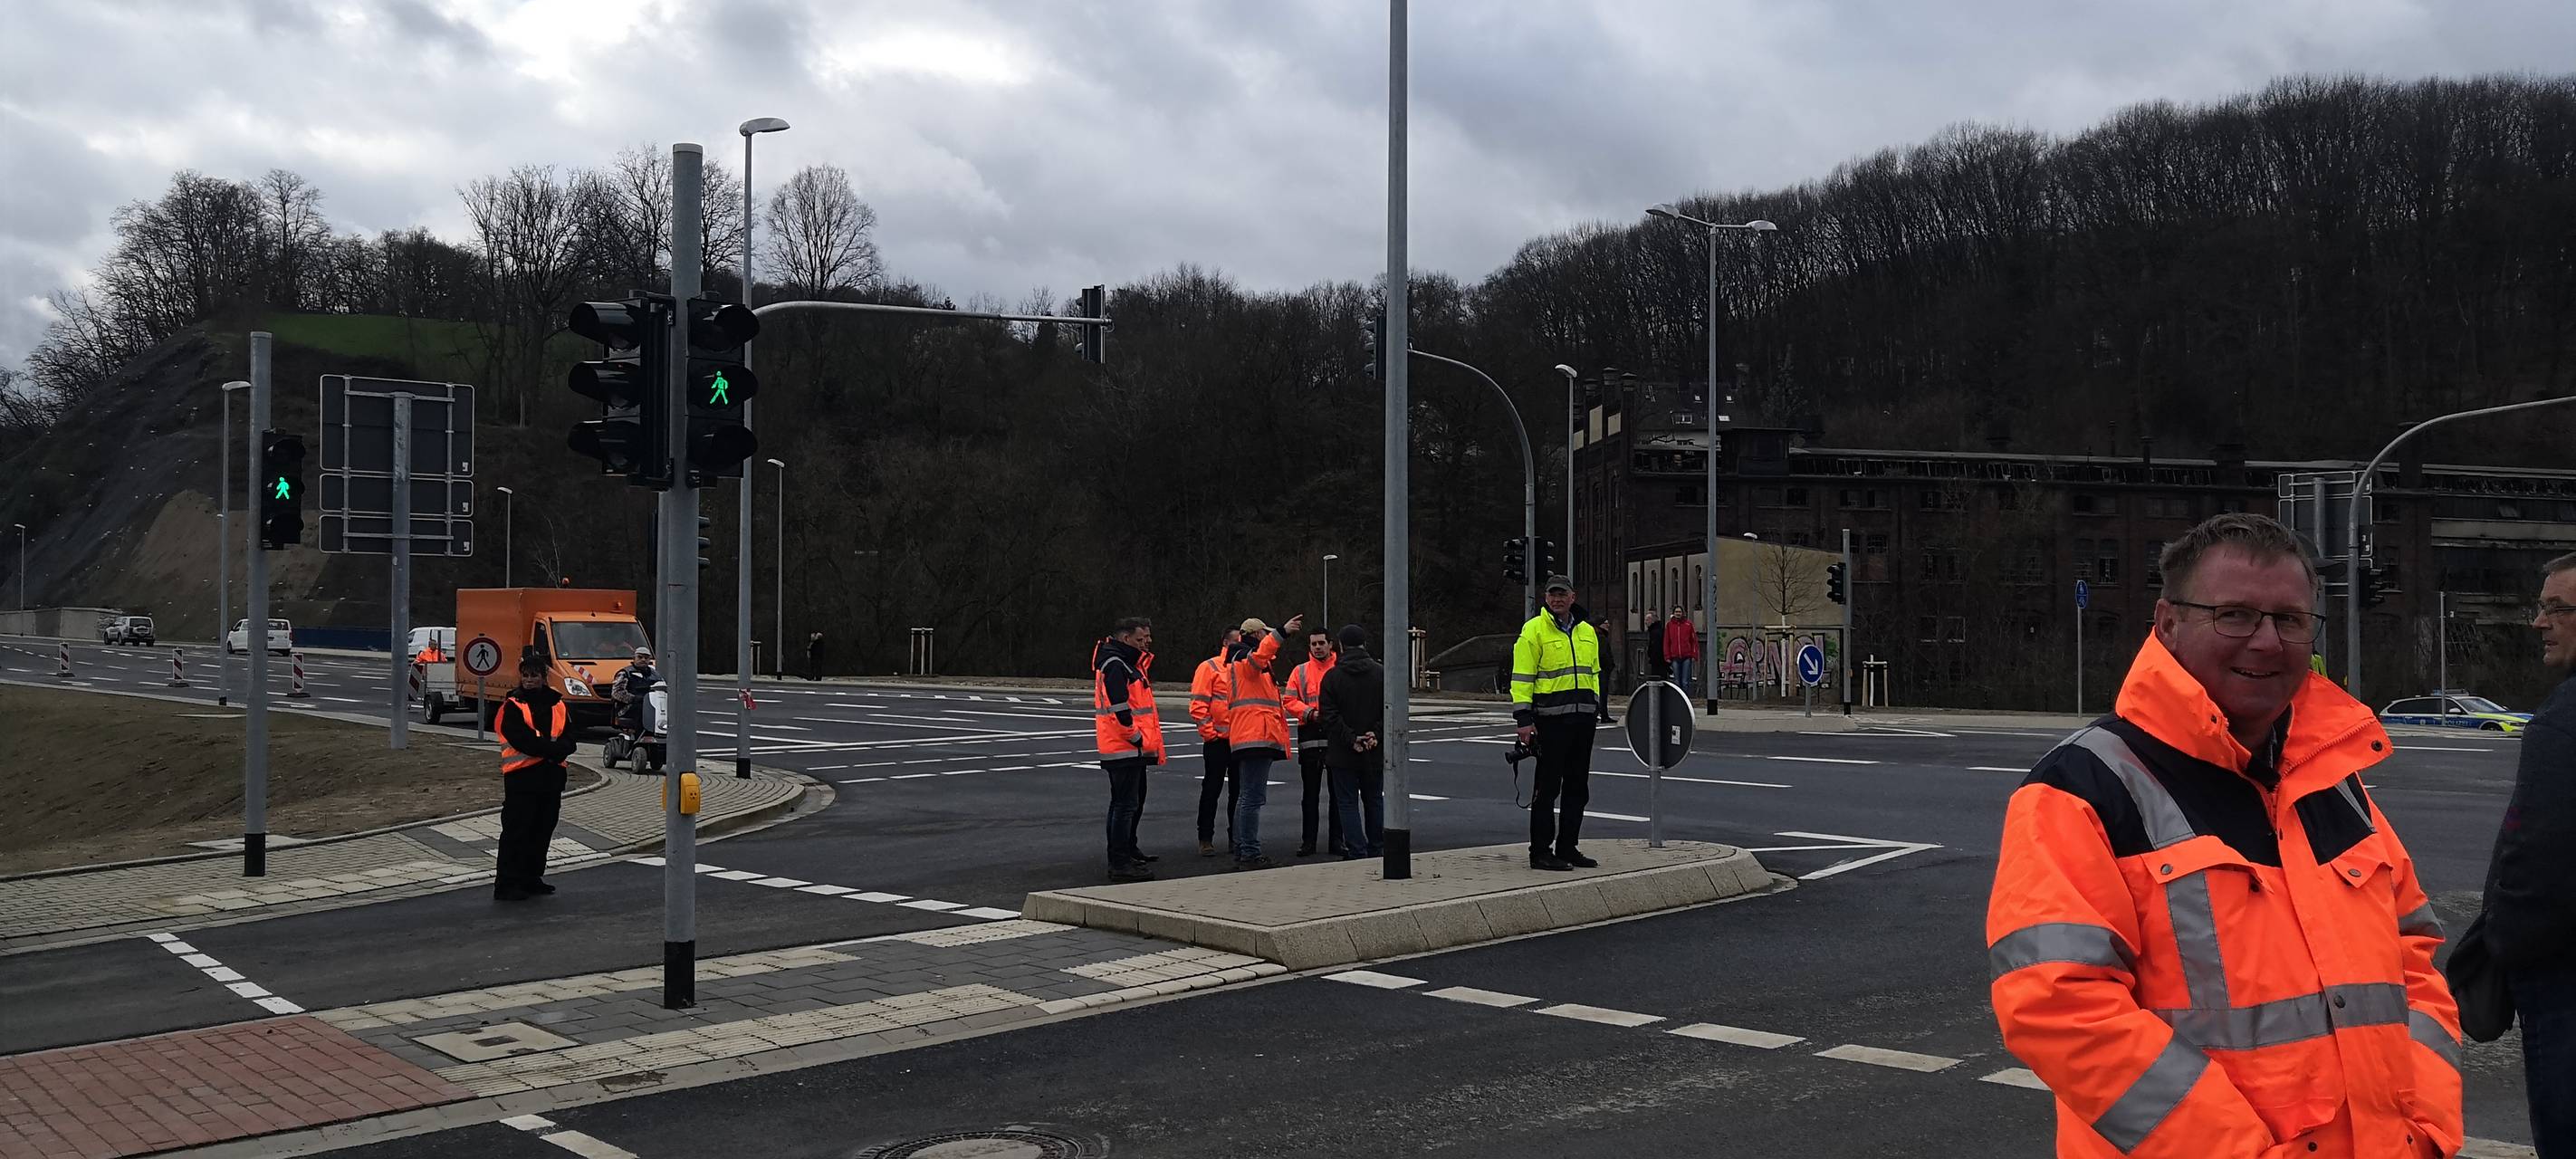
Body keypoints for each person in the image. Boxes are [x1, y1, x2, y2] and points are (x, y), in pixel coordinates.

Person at [1987, 513, 2461, 1158]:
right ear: (2166, 623)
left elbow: (2413, 960)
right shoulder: (2084, 788)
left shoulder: (2332, 783)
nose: (2266, 641)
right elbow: (2058, 1007)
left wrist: (2424, 1131)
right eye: (2234, 615)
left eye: (2288, 619)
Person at [2475, 551, 2576, 1153]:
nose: (2539, 622)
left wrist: (2502, 948)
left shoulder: (2562, 724)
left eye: (2557, 609)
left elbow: (2538, 865)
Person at [1511, 577, 1603, 872]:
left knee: (1578, 788)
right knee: (1547, 788)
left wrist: (1596, 708)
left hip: (1583, 720)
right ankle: (1540, 852)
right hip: (1550, 722)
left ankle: (1567, 847)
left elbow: (1595, 673)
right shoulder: (1533, 630)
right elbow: (1522, 677)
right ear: (1546, 597)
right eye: (1552, 594)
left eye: (1562, 594)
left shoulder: (1587, 631)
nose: (1557, 599)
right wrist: (1524, 720)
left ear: (1573, 597)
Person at [1223, 612, 1306, 870]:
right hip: (1255, 734)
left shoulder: (1239, 659)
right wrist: (1281, 632)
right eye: (1264, 634)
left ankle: (1243, 847)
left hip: (1251, 734)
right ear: (1258, 635)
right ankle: (1249, 851)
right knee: (1252, 797)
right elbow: (1259, 657)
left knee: (1246, 796)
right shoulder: (1245, 659)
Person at [494, 656, 577, 901]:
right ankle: (508, 883)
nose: (530, 680)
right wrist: (553, 750)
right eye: (526, 675)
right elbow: (522, 740)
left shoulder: (558, 704)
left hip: (551, 778)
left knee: (542, 829)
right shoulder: (512, 705)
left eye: (534, 675)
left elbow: (571, 737)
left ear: (543, 677)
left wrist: (560, 749)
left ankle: (531, 877)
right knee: (517, 831)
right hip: (522, 778)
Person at [1093, 617, 1164, 882]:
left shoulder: (1123, 662)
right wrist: (1136, 737)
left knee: (1126, 803)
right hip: (1124, 747)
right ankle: (1120, 863)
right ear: (1125, 639)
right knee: (1125, 805)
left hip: (1127, 748)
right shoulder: (1116, 664)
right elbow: (1119, 708)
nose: (1146, 643)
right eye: (1141, 638)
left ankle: (1126, 853)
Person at [1317, 623, 1385, 860]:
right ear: (1365, 644)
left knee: (1347, 803)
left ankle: (1357, 850)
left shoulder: (1332, 677)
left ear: (1341, 647)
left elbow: (1329, 715)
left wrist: (1351, 739)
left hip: (1343, 752)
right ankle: (1378, 848)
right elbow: (1388, 710)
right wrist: (1374, 735)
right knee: (1374, 800)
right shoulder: (1381, 673)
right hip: (1374, 750)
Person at [1283, 627, 1345, 857]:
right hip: (1310, 736)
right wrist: (1310, 713)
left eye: (1321, 643)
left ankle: (1337, 841)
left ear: (1331, 644)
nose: (1318, 647)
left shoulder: (1341, 669)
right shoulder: (1300, 672)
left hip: (1336, 737)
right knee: (1310, 795)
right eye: (1314, 644)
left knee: (1338, 795)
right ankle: (1308, 842)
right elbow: (1289, 700)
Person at [1189, 627, 1242, 857]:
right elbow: (1198, 706)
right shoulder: (1209, 667)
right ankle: (1205, 838)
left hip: (1240, 741)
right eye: (1236, 642)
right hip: (1218, 742)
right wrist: (1209, 734)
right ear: (1225, 643)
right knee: (1212, 790)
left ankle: (1236, 838)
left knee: (1239, 793)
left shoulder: (1242, 667)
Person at [610, 647, 657, 733]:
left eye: (646, 658)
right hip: (628, 708)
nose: (643, 660)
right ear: (634, 658)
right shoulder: (625, 673)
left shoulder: (655, 675)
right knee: (641, 710)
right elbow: (616, 693)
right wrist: (635, 699)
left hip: (651, 706)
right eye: (640, 657)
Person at [1661, 607, 1699, 695]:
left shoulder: (1688, 625)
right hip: (1675, 656)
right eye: (1676, 612)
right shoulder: (1669, 625)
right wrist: (1667, 656)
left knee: (1685, 681)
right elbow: (1666, 641)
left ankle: (1686, 700)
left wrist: (1694, 654)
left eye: (1680, 612)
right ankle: (1678, 699)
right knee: (1677, 681)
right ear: (1674, 613)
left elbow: (1693, 641)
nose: (1678, 613)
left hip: (1686, 656)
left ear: (1683, 613)